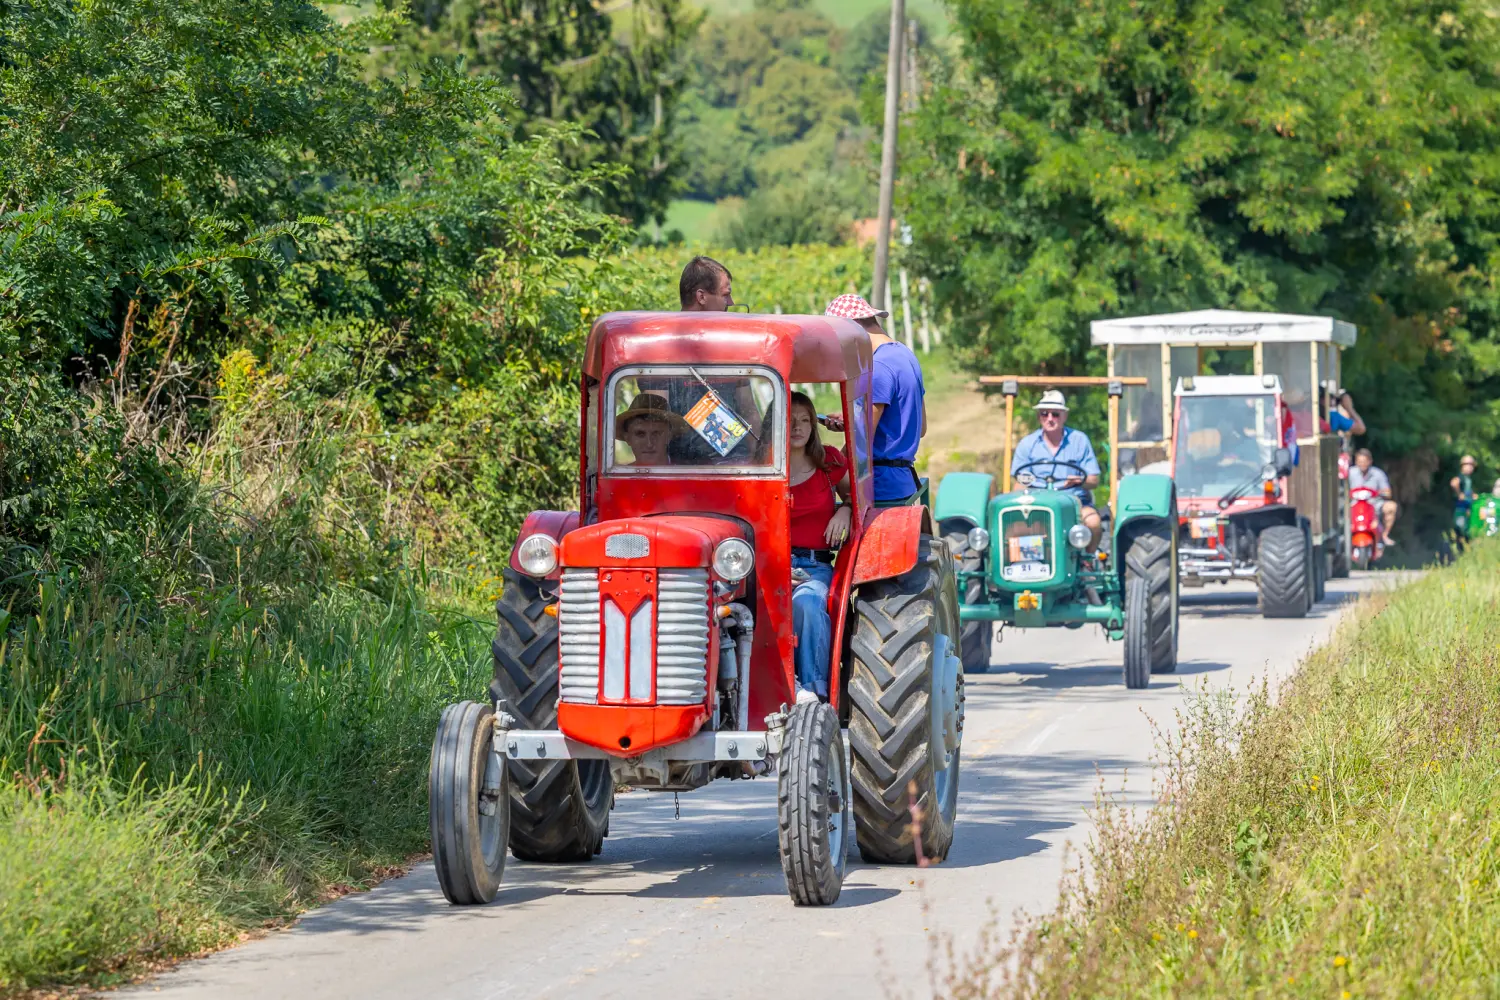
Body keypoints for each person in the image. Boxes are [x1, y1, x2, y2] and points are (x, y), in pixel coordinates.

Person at [822, 294, 927, 502]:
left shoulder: (878, 368)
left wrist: (831, 466)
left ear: (852, 329)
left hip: (880, 484)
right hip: (903, 480)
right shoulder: (906, 355)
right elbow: (920, 428)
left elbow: (861, 441)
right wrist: (851, 420)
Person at [787, 392, 852, 704]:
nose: (797, 427)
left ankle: (813, 691)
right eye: (790, 420)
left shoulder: (828, 462)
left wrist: (845, 510)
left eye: (804, 420)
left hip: (814, 565)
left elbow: (858, 497)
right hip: (770, 566)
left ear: (813, 426)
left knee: (808, 603)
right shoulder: (763, 471)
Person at [1010, 390, 1103, 549]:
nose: (1050, 419)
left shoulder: (1079, 441)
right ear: (1039, 417)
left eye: (1055, 414)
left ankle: (1088, 560)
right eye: (1044, 414)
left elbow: (1094, 480)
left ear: (1064, 416)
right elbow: (1019, 481)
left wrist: (1080, 480)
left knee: (1093, 522)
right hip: (1036, 504)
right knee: (1010, 521)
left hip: (1074, 503)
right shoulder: (1027, 444)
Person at [614, 393, 686, 466]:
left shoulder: (686, 473)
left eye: (656, 433)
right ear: (628, 438)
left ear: (668, 436)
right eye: (640, 434)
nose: (649, 444)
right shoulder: (621, 475)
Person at [1350, 448, 1398, 543]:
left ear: (1370, 462)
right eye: (1359, 461)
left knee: (1391, 507)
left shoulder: (1378, 474)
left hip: (1374, 505)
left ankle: (1384, 535)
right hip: (1354, 505)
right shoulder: (1350, 473)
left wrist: (1380, 493)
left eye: (1364, 461)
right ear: (1356, 462)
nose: (1362, 464)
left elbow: (1388, 492)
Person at [1451, 454, 1478, 540]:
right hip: (1460, 509)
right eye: (1468, 465)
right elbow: (1454, 483)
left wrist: (1473, 496)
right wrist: (1459, 494)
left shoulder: (1468, 479)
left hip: (1466, 510)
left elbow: (1468, 492)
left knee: (1466, 531)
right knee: (1460, 530)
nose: (1471, 468)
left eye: (1472, 466)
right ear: (1463, 466)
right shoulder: (1462, 477)